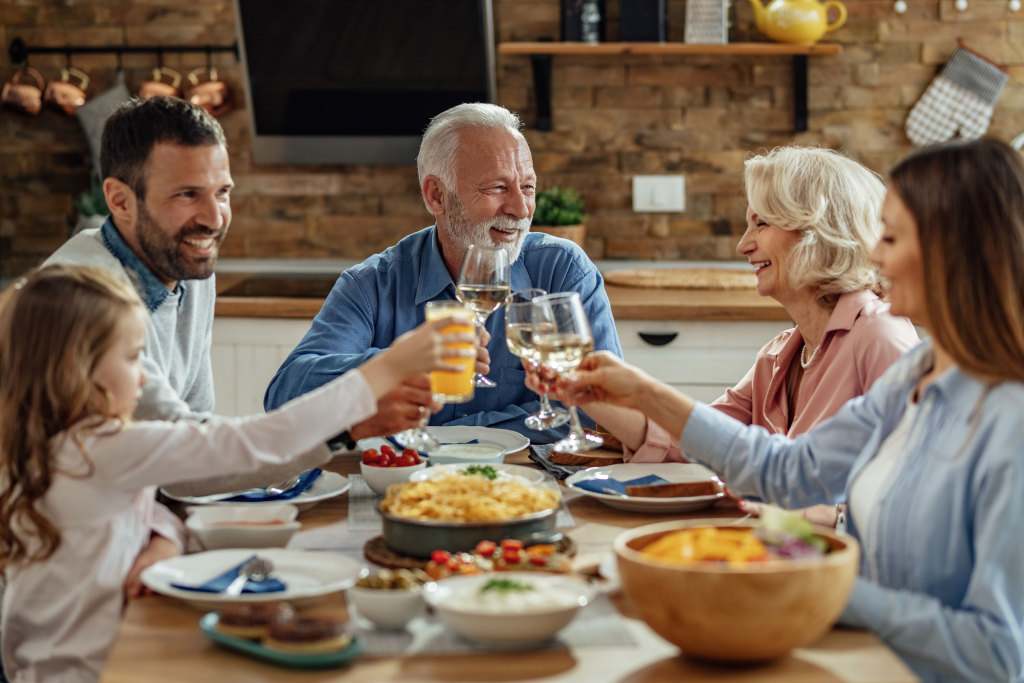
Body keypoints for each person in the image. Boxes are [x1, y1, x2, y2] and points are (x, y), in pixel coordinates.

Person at [559, 138, 1024, 682]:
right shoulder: (915, 375)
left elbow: (1001, 654)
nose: (873, 254)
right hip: (847, 651)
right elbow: (789, 471)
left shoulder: (1008, 423)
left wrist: (822, 586)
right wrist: (639, 392)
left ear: (954, 253)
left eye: (891, 237)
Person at [0, 264, 473, 683]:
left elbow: (137, 505)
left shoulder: (48, 445)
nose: (143, 376)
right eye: (131, 358)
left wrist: (161, 537)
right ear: (75, 368)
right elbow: (257, 442)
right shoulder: (103, 448)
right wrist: (385, 369)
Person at [547, 147, 918, 525]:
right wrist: (584, 391)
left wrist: (797, 510)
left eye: (761, 224)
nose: (743, 245)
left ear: (817, 232)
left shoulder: (880, 336)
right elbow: (699, 442)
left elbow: (907, 496)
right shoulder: (779, 354)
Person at [264, 103, 621, 440]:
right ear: (436, 196)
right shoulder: (372, 284)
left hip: (529, 489)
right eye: (497, 188)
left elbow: (601, 407)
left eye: (528, 187)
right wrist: (399, 364)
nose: (520, 208)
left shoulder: (562, 271)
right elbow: (285, 398)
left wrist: (453, 437)